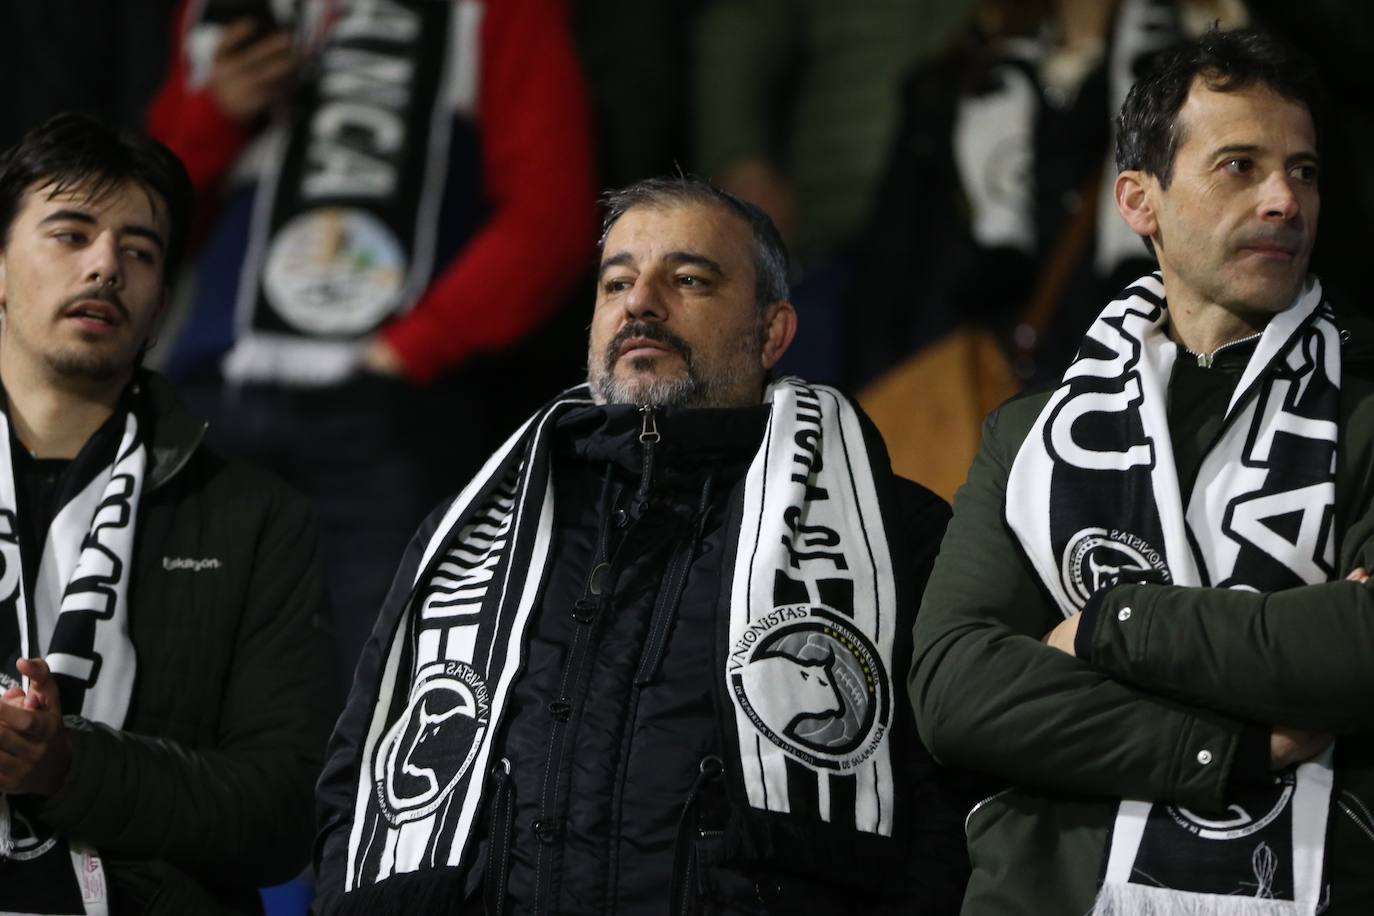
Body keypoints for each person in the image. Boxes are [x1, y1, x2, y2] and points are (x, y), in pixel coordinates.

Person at [314, 177, 966, 914]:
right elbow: (360, 780)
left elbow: (945, 801)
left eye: (688, 279)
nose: (641, 304)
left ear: (773, 333)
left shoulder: (890, 529)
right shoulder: (470, 528)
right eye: (617, 281)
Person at [913, 28, 1374, 914]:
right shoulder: (1032, 433)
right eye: (1240, 165)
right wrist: (1232, 745)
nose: (1285, 199)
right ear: (1140, 200)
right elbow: (956, 688)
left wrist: (1108, 623)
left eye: (1305, 171)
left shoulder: (1369, 414)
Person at [146, 0, 599, 688]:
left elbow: (552, 214)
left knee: (385, 703)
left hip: (384, 416)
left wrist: (412, 350)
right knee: (181, 694)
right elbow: (149, 214)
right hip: (211, 401)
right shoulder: (217, 10)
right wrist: (217, 113)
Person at [0, 114, 334, 913]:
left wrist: (66, 767)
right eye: (70, 233)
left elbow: (285, 816)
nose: (106, 265)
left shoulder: (253, 517)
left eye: (139, 251)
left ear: (159, 309)